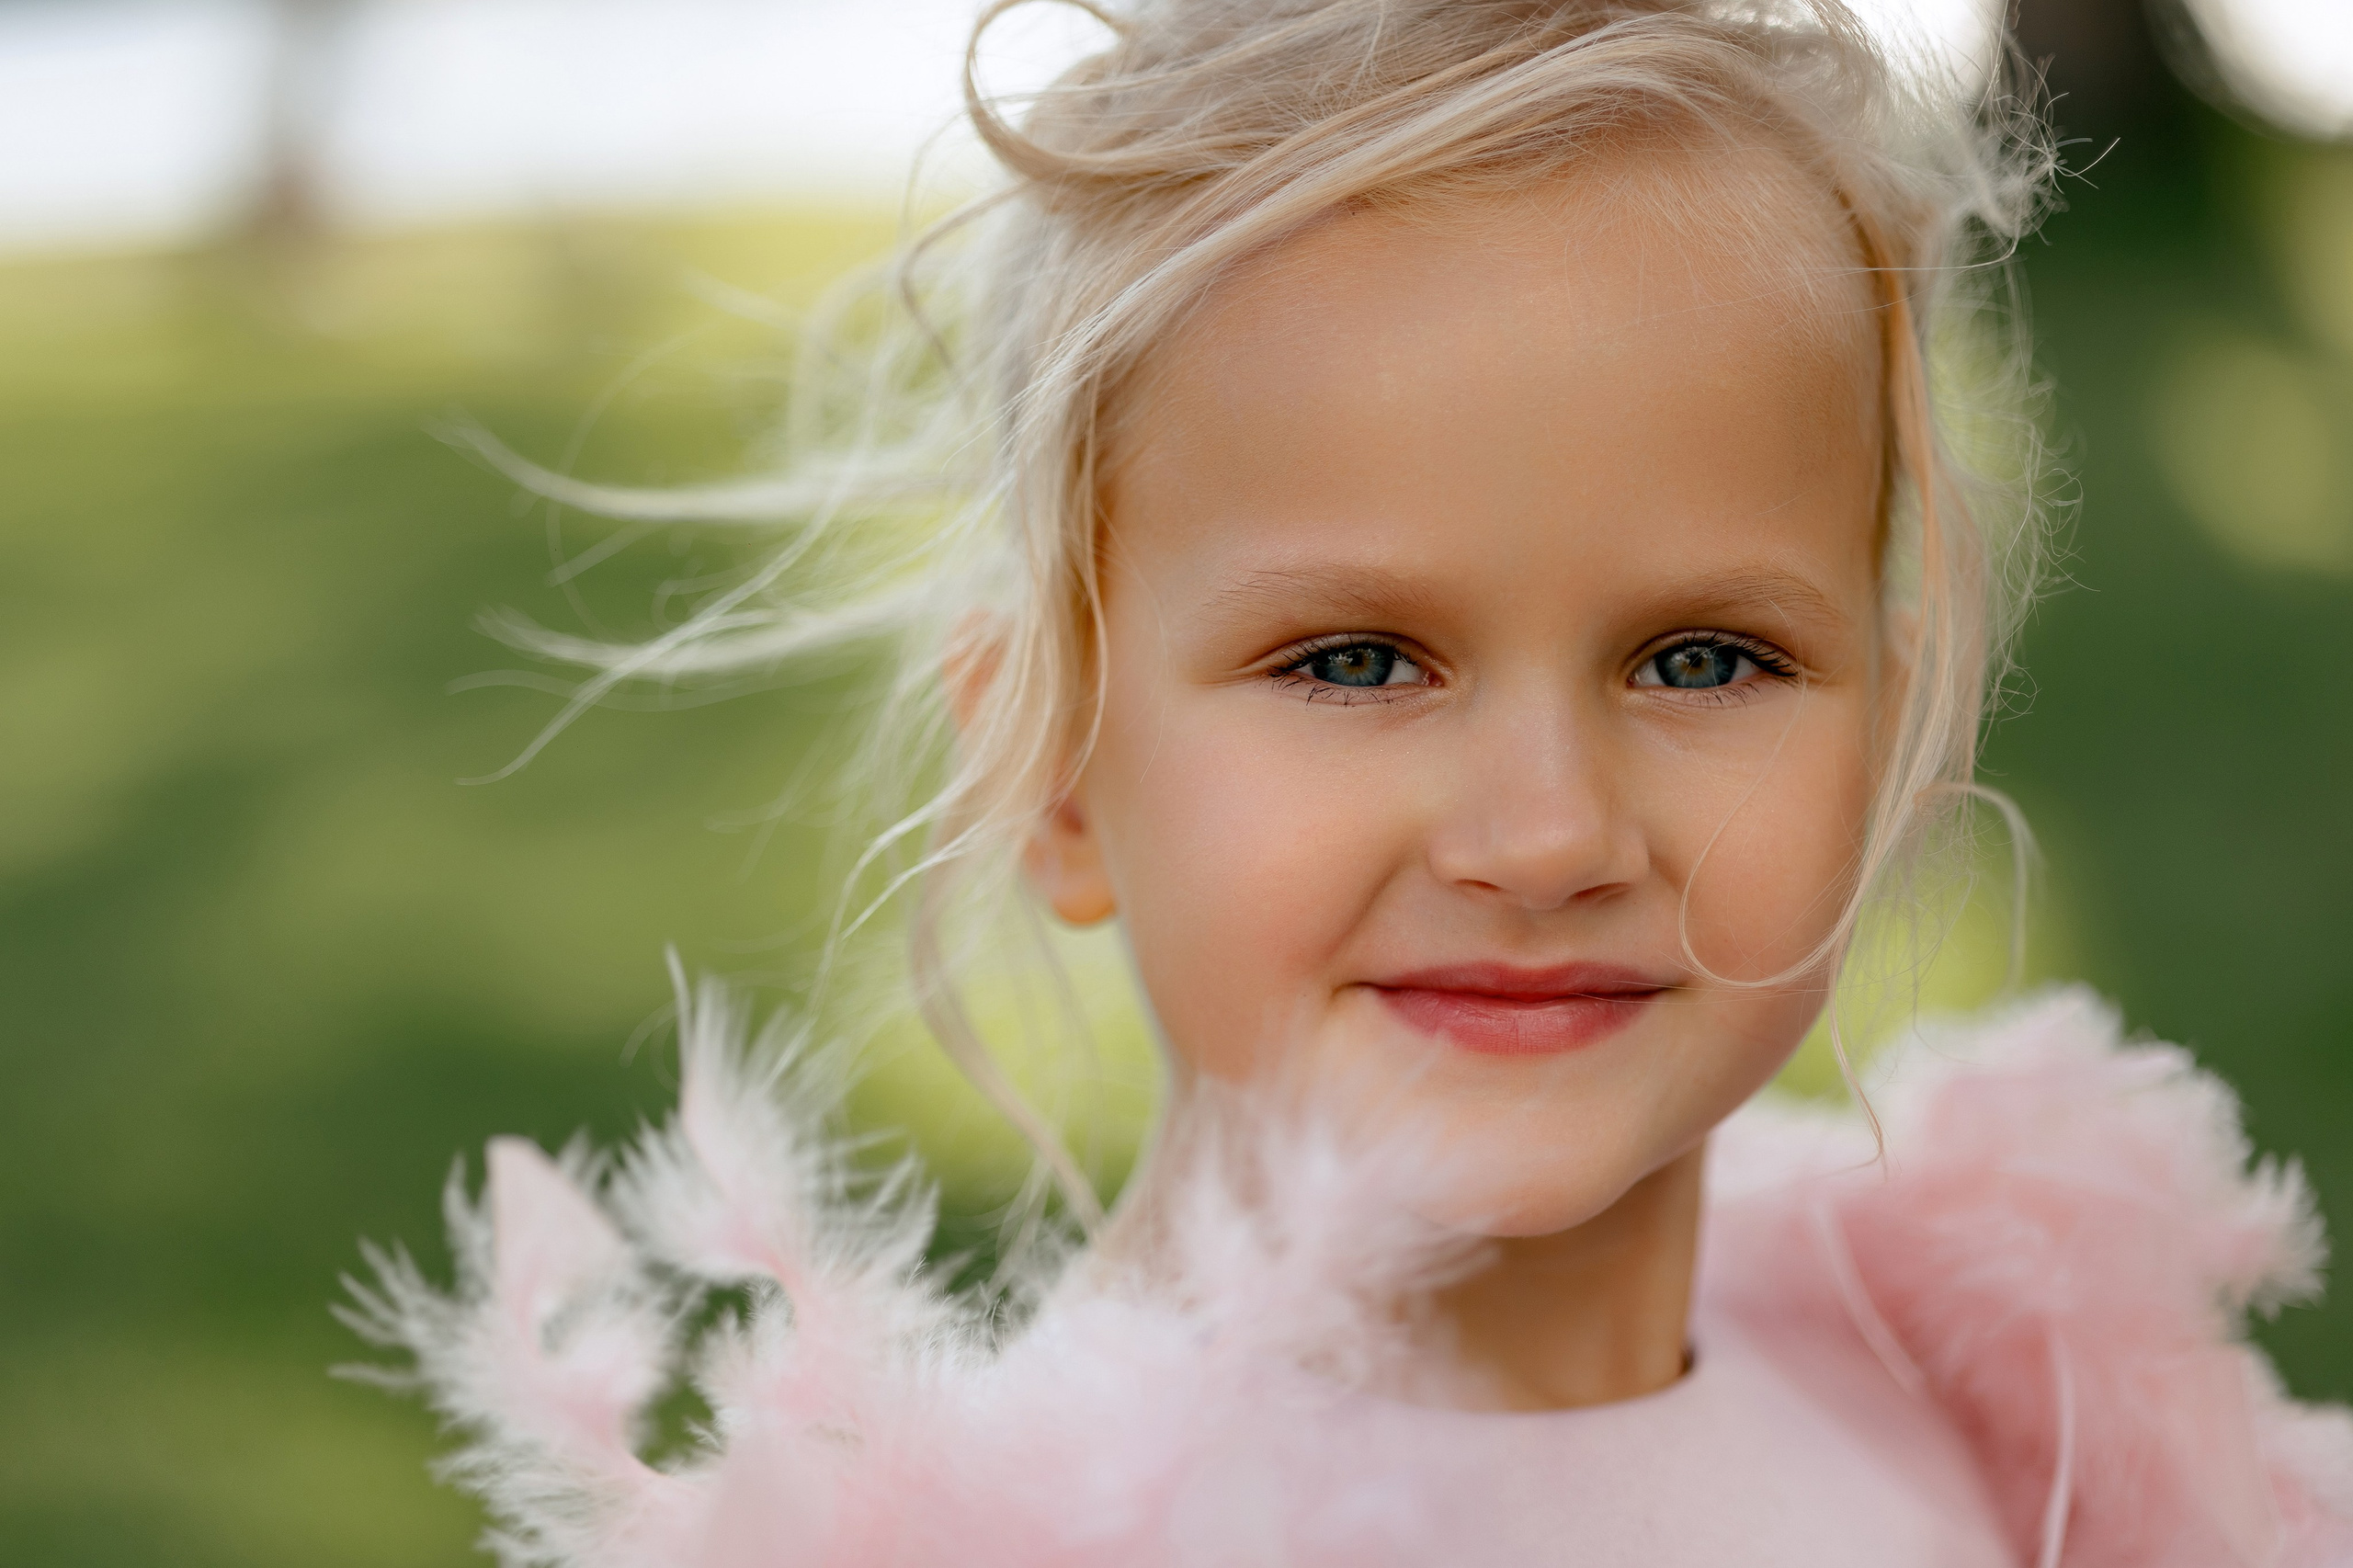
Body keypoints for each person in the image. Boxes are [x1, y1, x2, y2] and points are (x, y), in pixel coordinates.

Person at [349, 2, 2353, 1562]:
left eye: (1703, 657)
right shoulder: (1042, 1546)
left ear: (1888, 736)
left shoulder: (1986, 1390)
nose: (1549, 831)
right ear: (1050, 763)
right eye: (1353, 660)